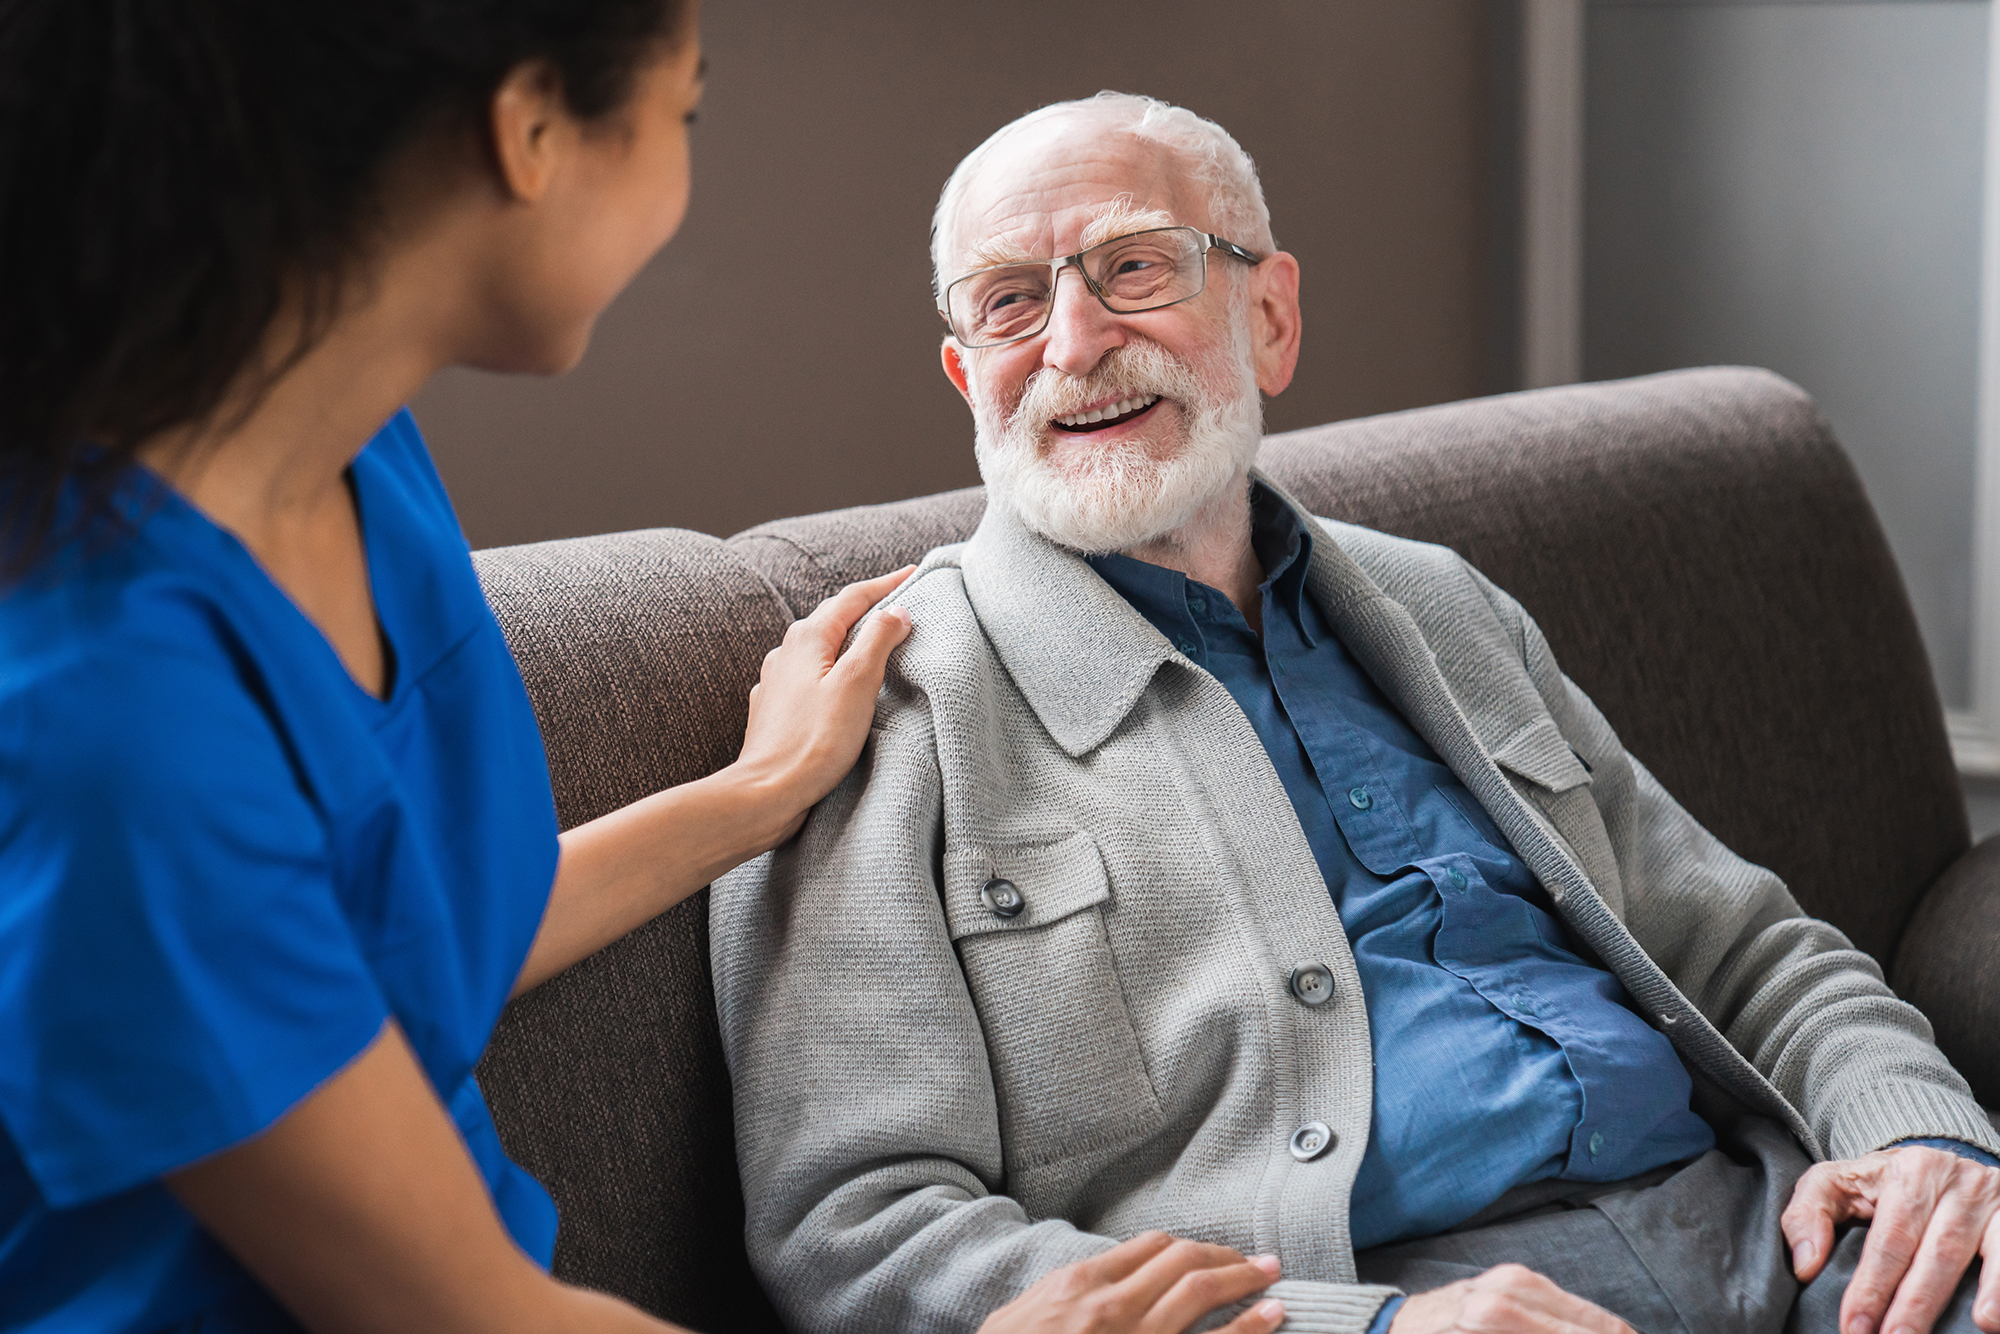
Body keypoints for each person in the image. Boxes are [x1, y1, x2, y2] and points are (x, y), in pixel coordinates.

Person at [0, 9, 1280, 1333]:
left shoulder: (351, 449)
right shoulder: (95, 703)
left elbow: (396, 932)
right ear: (533, 132)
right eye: (685, 112)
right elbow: (466, 1312)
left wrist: (757, 793)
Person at [712, 91, 2000, 1334]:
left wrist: (1919, 1131)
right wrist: (1363, 1326)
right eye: (1009, 303)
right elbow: (862, 1229)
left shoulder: (1440, 605)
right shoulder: (883, 710)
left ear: (1269, 316)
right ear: (964, 374)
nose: (1071, 343)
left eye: (1134, 270)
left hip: (1787, 1239)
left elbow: (1742, 948)